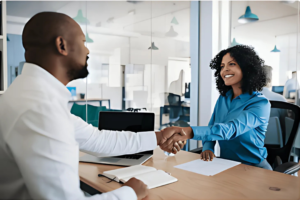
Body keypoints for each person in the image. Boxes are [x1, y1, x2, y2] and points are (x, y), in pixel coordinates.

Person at [0, 12, 186, 200]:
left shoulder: (26, 96)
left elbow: (98, 140)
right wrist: (129, 193)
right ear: (62, 45)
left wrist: (160, 136)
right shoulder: (40, 109)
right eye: (82, 42)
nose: (87, 51)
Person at [161, 45, 273, 170]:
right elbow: (212, 126)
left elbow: (229, 130)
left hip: (254, 168)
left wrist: (188, 132)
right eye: (222, 66)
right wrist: (208, 147)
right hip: (226, 165)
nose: (225, 70)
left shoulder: (260, 104)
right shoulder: (224, 98)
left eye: (231, 64)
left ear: (247, 68)